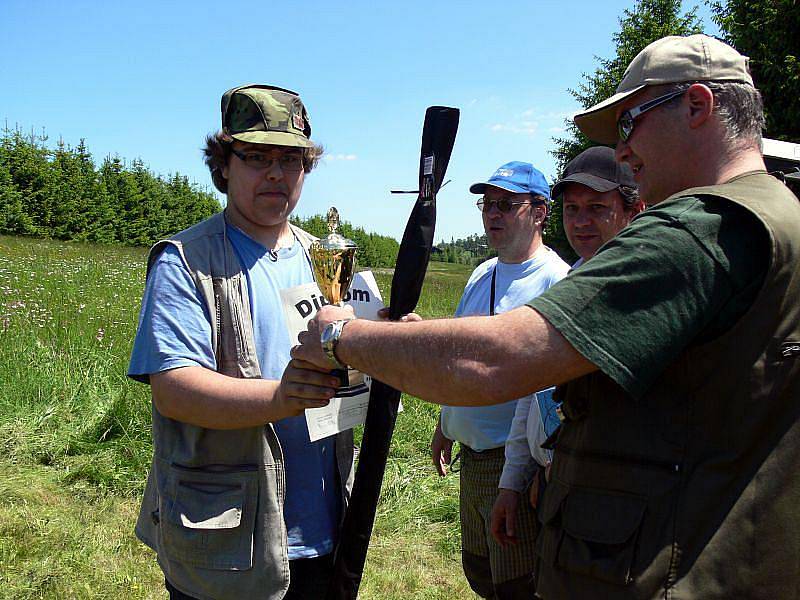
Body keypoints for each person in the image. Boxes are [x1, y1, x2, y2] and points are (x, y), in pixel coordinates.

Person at [293, 34, 800, 598]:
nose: (624, 151)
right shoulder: (778, 215)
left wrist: (341, 336)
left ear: (698, 106)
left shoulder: (698, 230)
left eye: (629, 122)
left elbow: (498, 360)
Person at [128, 84, 346, 600]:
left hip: (327, 529)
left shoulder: (328, 260)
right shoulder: (186, 260)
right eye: (256, 157)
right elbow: (175, 389)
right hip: (228, 544)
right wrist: (284, 397)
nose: (276, 173)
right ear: (224, 164)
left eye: (290, 158)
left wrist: (387, 347)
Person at [489, 146, 643, 548]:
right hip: (552, 487)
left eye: (596, 208)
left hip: (604, 501)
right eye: (572, 209)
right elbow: (532, 392)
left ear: (633, 211)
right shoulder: (568, 285)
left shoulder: (636, 295)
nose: (581, 222)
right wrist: (512, 482)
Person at [430, 162, 569, 598]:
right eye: (488, 205)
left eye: (507, 205)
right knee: (479, 571)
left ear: (541, 212)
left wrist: (522, 478)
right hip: (471, 456)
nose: (494, 214)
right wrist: (444, 425)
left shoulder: (556, 280)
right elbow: (459, 359)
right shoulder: (481, 273)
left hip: (511, 465)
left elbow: (547, 395)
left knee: (518, 582)